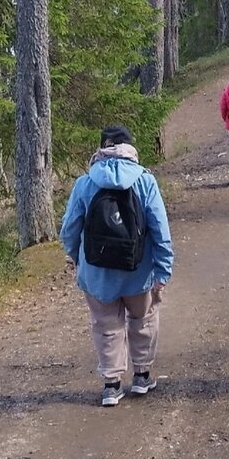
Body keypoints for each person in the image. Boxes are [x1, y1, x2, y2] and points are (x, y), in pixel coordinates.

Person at [60, 126, 174, 407]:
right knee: (143, 318)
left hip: (97, 273)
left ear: (102, 149)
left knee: (105, 325)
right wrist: (163, 270)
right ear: (130, 149)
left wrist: (77, 259)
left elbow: (69, 230)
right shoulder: (145, 181)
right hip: (139, 270)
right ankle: (142, 376)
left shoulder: (85, 183)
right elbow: (160, 229)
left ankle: (111, 386)